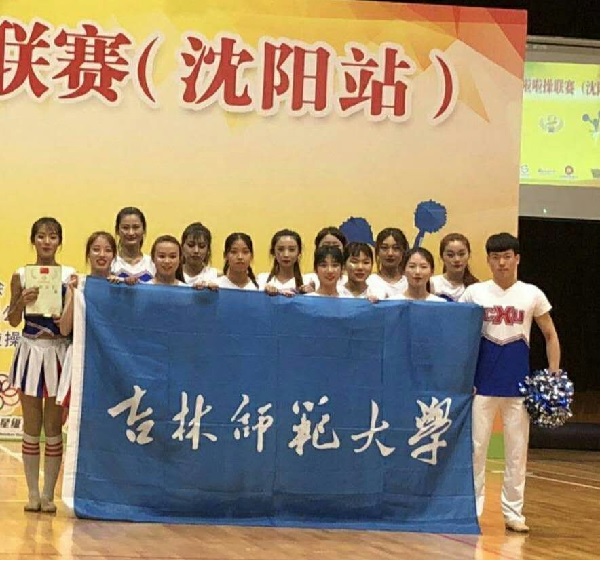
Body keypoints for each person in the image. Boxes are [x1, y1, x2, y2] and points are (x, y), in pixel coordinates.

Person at [459, 232, 561, 533]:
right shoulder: (474, 293)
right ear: (488, 260)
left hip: (519, 386)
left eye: (507, 257)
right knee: (476, 449)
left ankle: (514, 512)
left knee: (516, 452)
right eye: (495, 257)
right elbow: (459, 335)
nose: (501, 263)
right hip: (481, 385)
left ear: (517, 259)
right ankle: (473, 508)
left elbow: (550, 335)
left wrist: (553, 375)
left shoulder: (532, 294)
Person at [6, 217, 75, 513]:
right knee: (32, 425)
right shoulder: (21, 274)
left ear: (60, 241)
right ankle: (32, 494)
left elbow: (73, 322)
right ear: (33, 240)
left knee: (54, 427)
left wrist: (65, 313)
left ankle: (49, 496)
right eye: (41, 236)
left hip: (58, 351)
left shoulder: (70, 275)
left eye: (53, 236)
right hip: (30, 352)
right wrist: (22, 301)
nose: (47, 242)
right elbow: (13, 320)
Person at [58, 232, 119, 406]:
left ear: (114, 256)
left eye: (107, 250)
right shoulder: (78, 283)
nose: (102, 255)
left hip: (110, 360)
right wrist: (73, 293)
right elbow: (64, 329)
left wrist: (120, 289)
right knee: (77, 414)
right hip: (81, 358)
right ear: (88, 254)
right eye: (96, 249)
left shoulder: (120, 286)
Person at [430, 233, 479, 301]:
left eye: (461, 254)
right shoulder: (432, 284)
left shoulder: (477, 287)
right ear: (442, 257)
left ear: (469, 255)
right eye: (450, 255)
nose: (457, 259)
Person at [111, 206, 155, 282]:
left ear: (144, 230)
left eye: (136, 227)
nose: (131, 233)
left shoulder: (154, 264)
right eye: (125, 228)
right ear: (117, 230)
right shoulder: (110, 264)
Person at [258, 229, 304, 296]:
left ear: (299, 252)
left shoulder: (307, 281)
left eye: (292, 250)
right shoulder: (261, 280)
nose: (286, 255)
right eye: (280, 249)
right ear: (273, 251)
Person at [302, 226, 347, 292]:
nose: (330, 250)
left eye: (336, 246)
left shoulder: (349, 283)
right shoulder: (305, 280)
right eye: (325, 246)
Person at [367, 227, 410, 297]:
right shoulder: (368, 282)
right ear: (377, 251)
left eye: (396, 248)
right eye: (384, 248)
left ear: (403, 252)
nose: (390, 253)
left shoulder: (410, 284)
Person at [180, 222, 219, 287]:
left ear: (208, 250)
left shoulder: (216, 277)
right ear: (182, 247)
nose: (196, 251)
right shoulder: (172, 274)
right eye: (191, 245)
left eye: (202, 246)